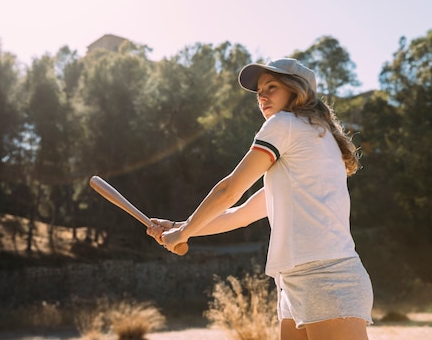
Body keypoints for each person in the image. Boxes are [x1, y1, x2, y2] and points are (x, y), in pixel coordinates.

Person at [147, 58, 373, 340]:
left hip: (325, 276)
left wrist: (185, 232)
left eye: (272, 87)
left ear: (296, 90)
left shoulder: (286, 124)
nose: (262, 96)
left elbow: (229, 190)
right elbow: (240, 214)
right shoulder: (307, 141)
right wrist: (177, 227)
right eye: (259, 91)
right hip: (297, 278)